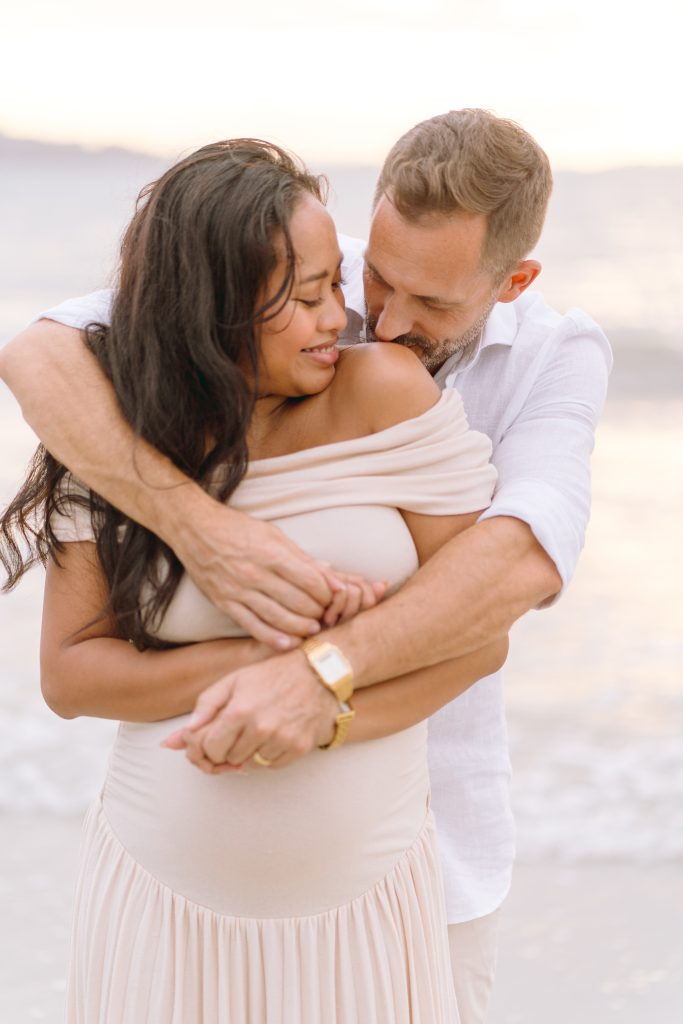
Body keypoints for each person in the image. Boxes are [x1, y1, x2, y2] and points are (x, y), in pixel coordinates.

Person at [0, 109, 612, 1023]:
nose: (383, 322)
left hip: (421, 865)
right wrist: (202, 531)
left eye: (434, 304)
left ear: (514, 281)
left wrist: (313, 679)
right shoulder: (286, 266)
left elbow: (518, 563)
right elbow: (38, 354)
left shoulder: (553, 358)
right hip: (164, 884)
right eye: (374, 280)